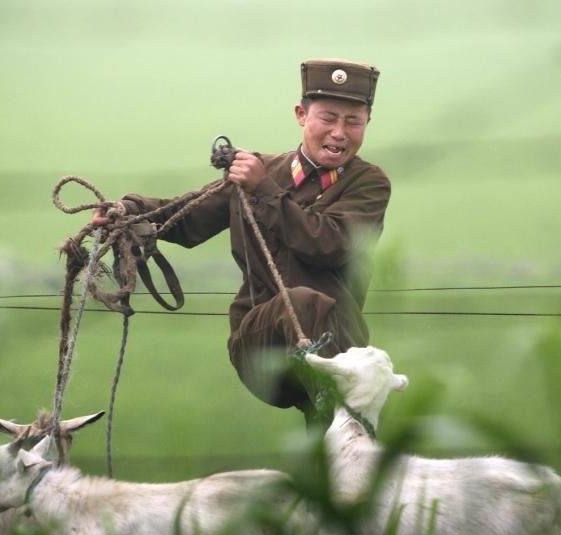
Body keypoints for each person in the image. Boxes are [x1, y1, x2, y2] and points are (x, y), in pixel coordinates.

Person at [92, 58, 391, 429]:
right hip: (259, 344)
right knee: (299, 302)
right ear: (301, 115)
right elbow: (186, 218)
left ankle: (338, 442)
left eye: (353, 121)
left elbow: (329, 243)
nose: (339, 132)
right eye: (328, 118)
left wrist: (263, 189)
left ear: (367, 124)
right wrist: (129, 211)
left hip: (338, 345)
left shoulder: (370, 184)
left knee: (312, 313)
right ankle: (337, 429)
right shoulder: (259, 172)